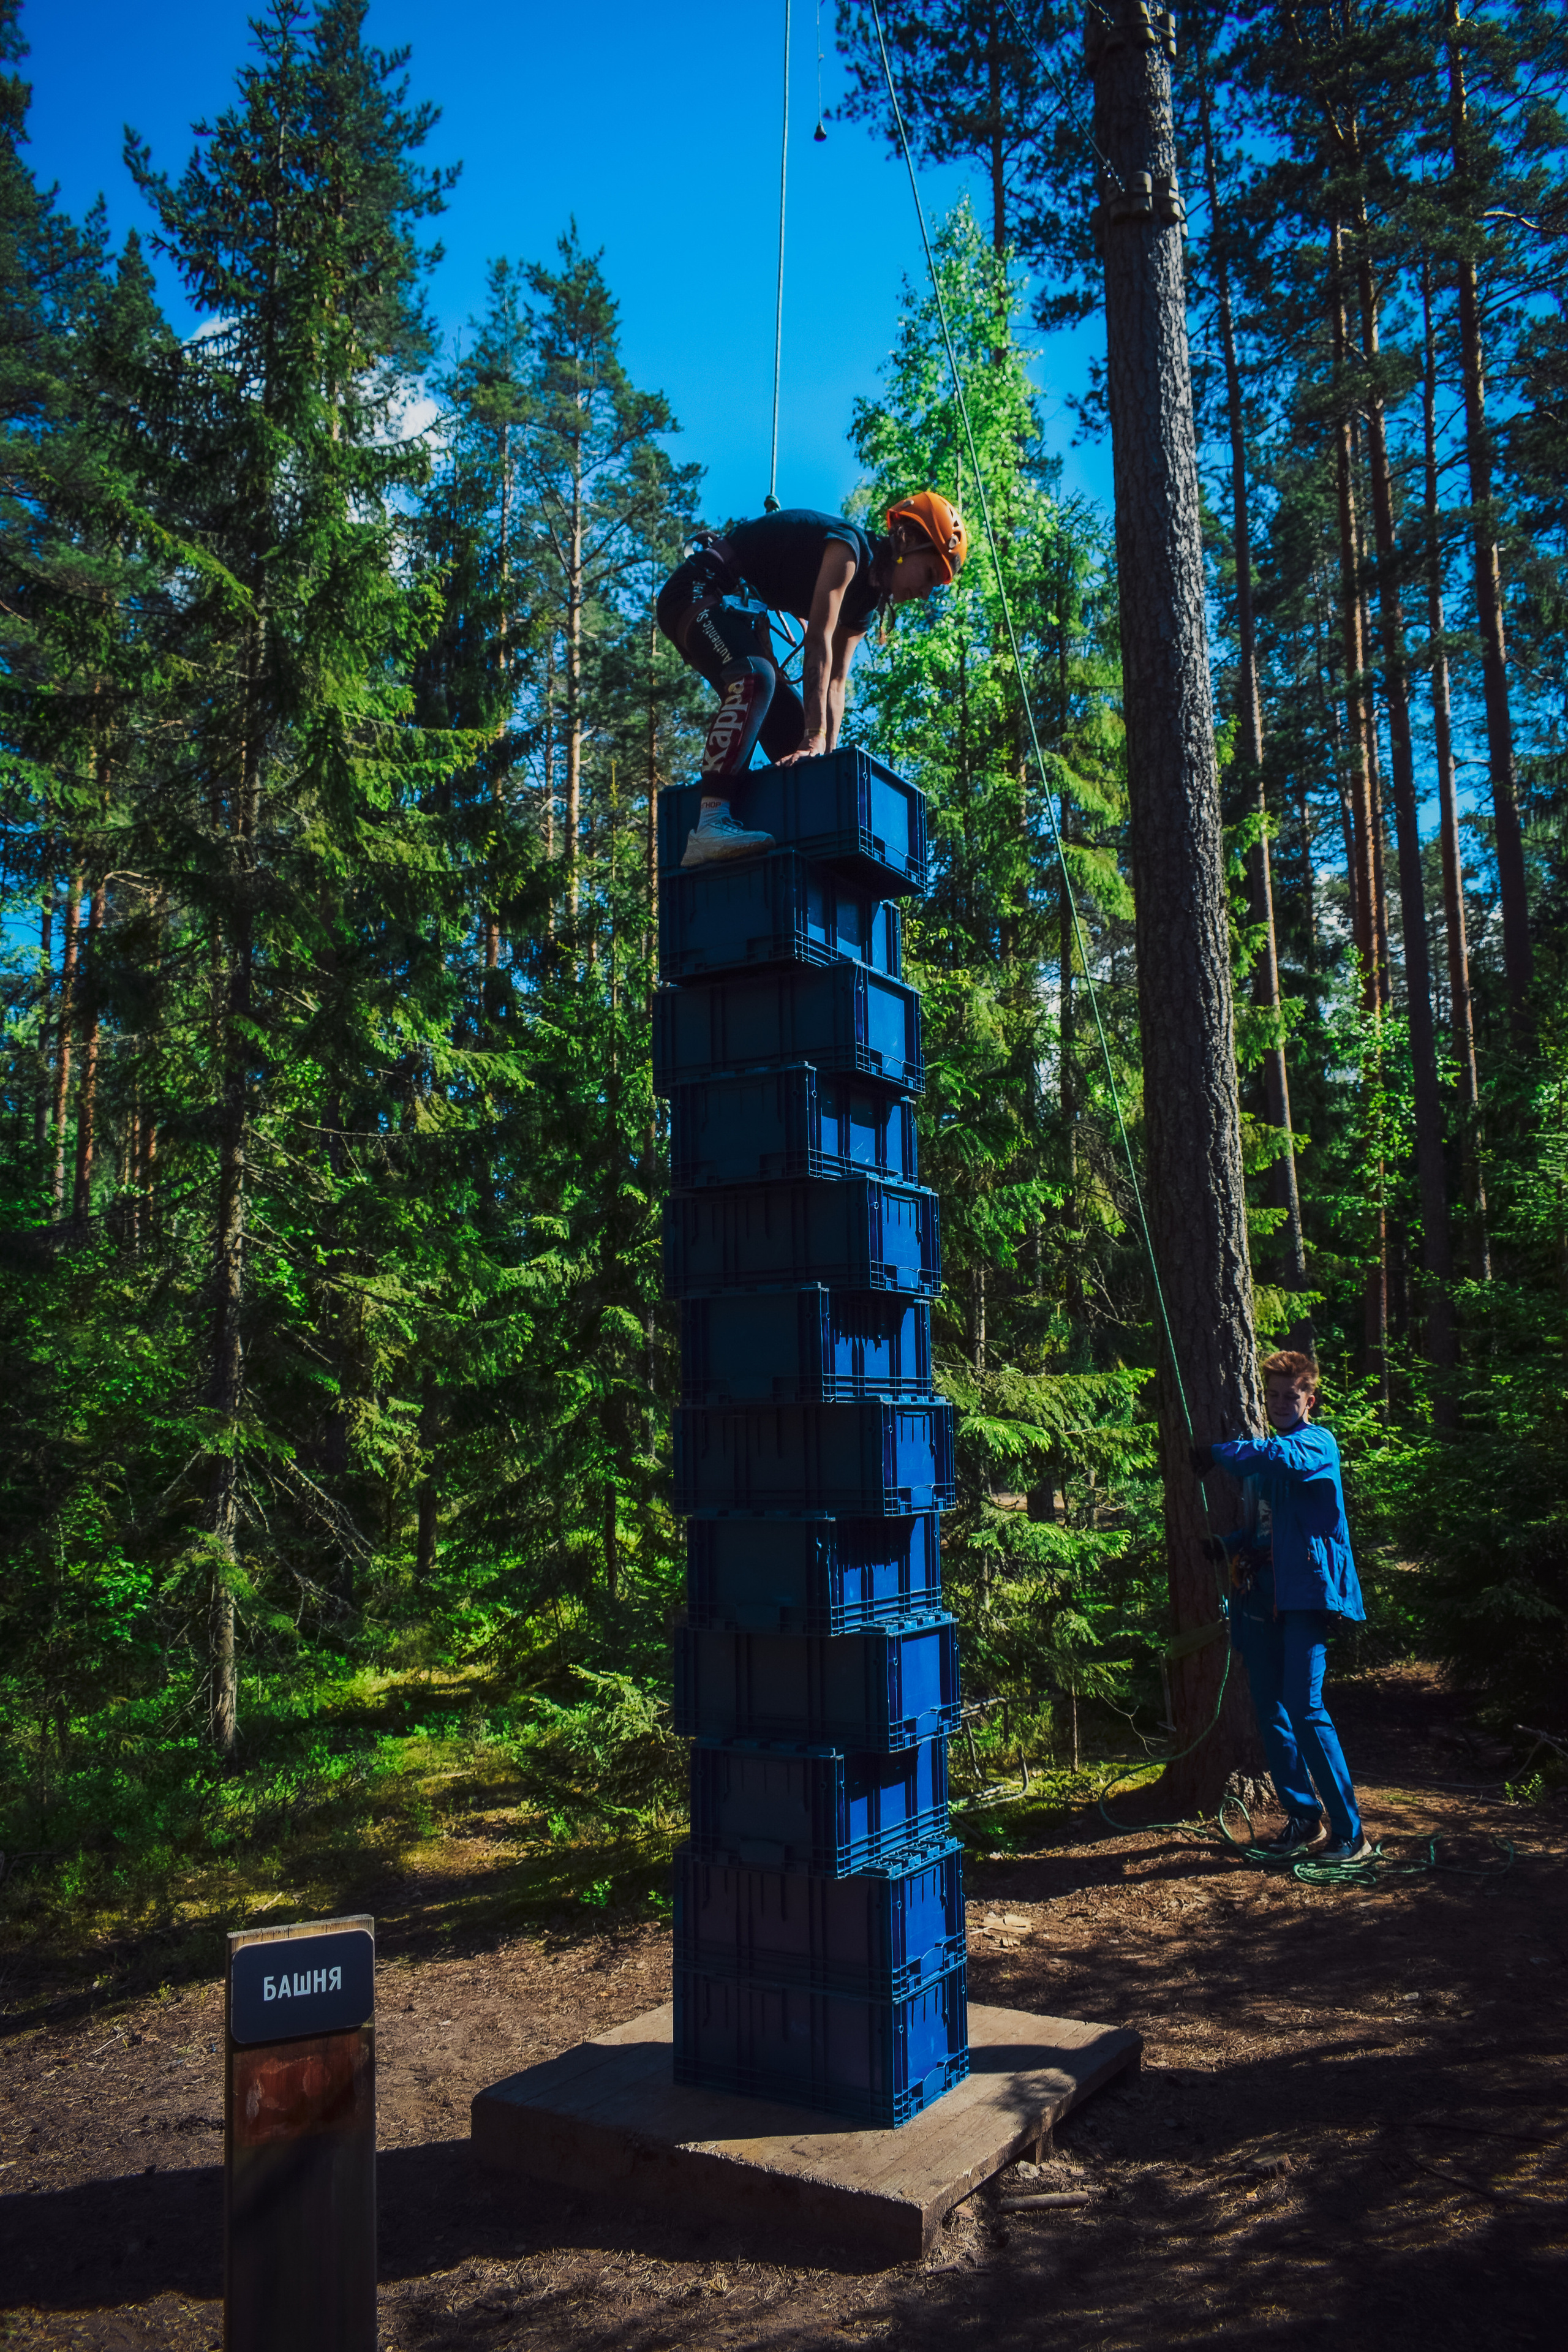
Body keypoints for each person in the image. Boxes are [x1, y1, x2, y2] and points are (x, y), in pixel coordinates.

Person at [655, 494, 966, 867]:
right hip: (697, 589)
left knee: (794, 740)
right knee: (757, 678)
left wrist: (824, 762)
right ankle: (710, 823)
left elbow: (836, 682)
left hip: (726, 611)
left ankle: (776, 844)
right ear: (908, 542)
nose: (926, 593)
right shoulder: (848, 549)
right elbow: (818, 640)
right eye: (930, 574)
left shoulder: (866, 604)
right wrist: (815, 737)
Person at [1191, 1351, 1372, 1864]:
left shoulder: (1315, 1444)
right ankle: (1303, 1817)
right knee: (1270, 1707)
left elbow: (1281, 1460)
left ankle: (1350, 1833)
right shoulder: (1267, 1458)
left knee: (1306, 1708)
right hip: (1262, 1594)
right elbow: (1267, 1529)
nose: (1279, 1404)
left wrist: (1218, 1452)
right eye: (1271, 1396)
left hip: (1307, 1596)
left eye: (1290, 1396)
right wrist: (1227, 1545)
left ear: (1309, 1400)